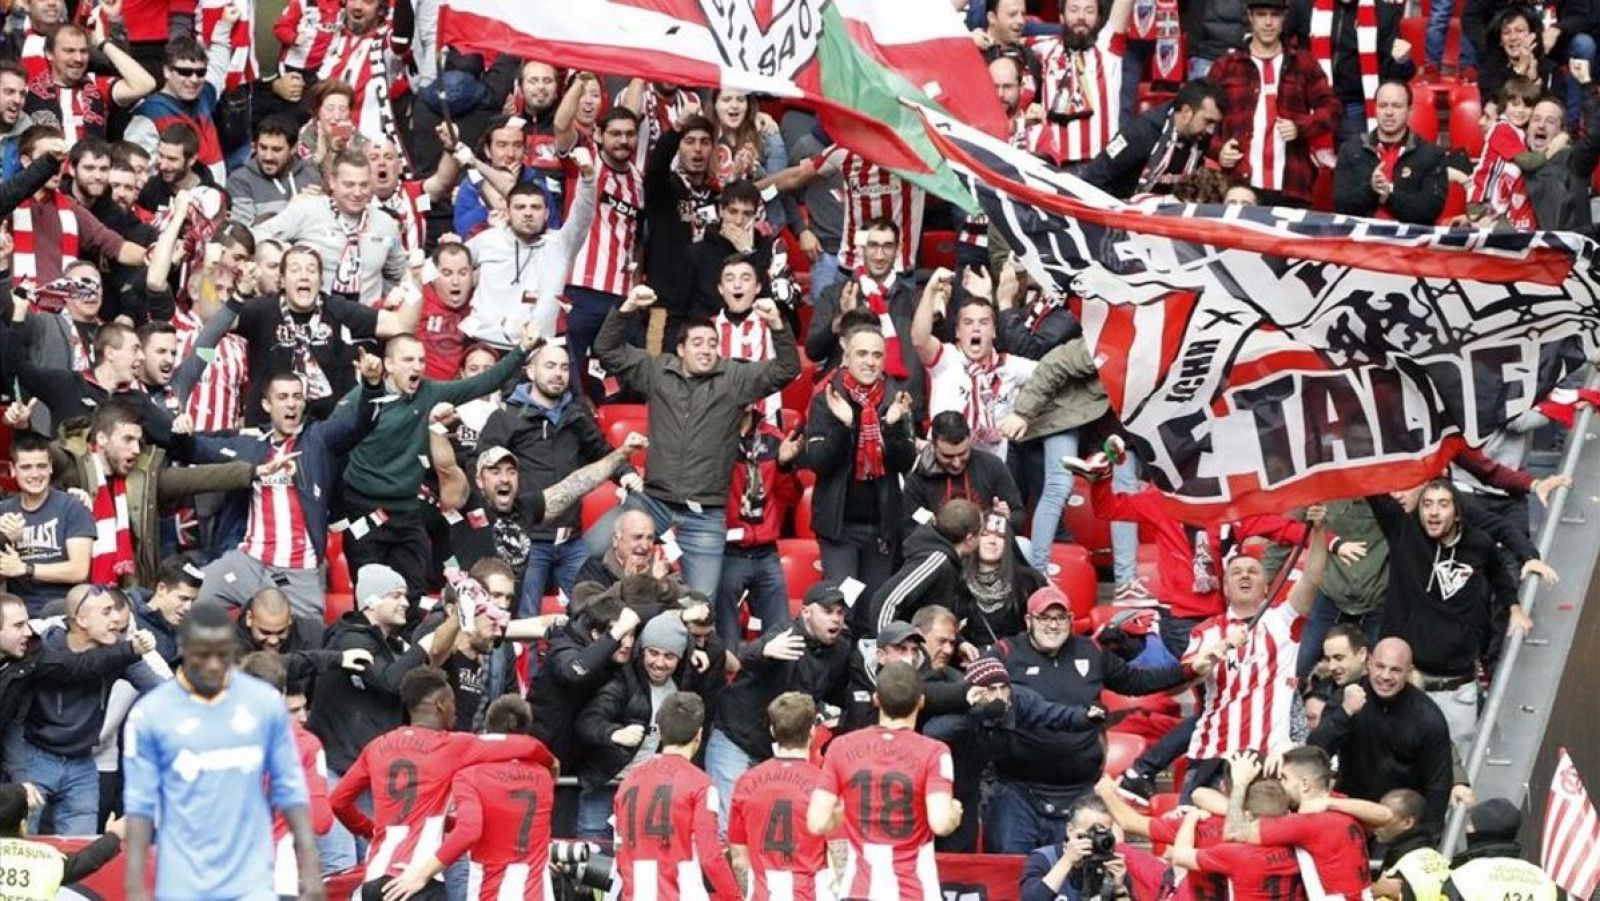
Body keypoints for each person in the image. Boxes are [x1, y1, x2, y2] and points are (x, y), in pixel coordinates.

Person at [595, 284, 800, 599]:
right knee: (591, 550)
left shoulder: (734, 378)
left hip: (704, 514)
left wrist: (777, 325)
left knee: (700, 603)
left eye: (712, 344)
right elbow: (607, 350)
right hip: (653, 501)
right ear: (680, 350)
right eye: (698, 343)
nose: (706, 350)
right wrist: (626, 309)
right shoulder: (657, 370)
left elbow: (788, 368)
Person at [982, 585, 1215, 852]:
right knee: (1011, 878)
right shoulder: (1006, 652)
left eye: (1060, 618)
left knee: (1081, 881)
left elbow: (1136, 681)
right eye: (1045, 618)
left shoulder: (1090, 650)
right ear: (1028, 621)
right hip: (1018, 794)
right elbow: (978, 689)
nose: (1053, 626)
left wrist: (1188, 670)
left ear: (1071, 620)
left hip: (1080, 793)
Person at [121, 600, 323, 901]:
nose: (214, 664)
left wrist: (310, 870)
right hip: (184, 881)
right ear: (184, 649)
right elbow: (139, 807)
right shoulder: (151, 714)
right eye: (203, 655)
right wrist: (135, 886)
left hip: (252, 880)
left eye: (222, 654)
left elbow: (291, 789)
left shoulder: (263, 704)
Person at [336, 326, 538, 600]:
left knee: (413, 595)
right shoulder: (357, 402)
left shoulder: (428, 392)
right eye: (408, 360)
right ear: (389, 364)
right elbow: (331, 447)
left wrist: (522, 350)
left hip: (407, 515)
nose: (417, 366)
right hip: (365, 513)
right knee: (372, 601)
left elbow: (483, 383)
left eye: (421, 360)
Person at [183, 353, 387, 618]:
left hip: (298, 572)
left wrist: (372, 386)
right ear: (267, 405)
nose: (291, 404)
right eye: (282, 397)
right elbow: (193, 450)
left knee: (308, 649)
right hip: (248, 564)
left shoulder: (319, 440)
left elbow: (362, 423)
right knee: (188, 598)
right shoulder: (250, 447)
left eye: (297, 397)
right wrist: (180, 432)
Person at [330, 667, 557, 901]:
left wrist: (370, 830)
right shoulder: (453, 746)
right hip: (417, 880)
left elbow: (338, 801)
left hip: (375, 878)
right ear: (440, 704)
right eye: (452, 703)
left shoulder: (376, 746)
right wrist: (551, 763)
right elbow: (526, 745)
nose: (455, 711)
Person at [1366, 480, 1527, 758]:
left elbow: (1501, 577)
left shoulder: (1479, 544)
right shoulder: (1403, 531)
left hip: (1457, 690)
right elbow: (1374, 492)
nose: (1434, 512)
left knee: (1458, 781)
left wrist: (1514, 606)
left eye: (1443, 504)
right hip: (1408, 688)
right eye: (1427, 504)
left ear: (1457, 511)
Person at [306, 564, 437, 872]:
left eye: (406, 596)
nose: (405, 603)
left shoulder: (389, 646)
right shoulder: (351, 639)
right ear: (370, 602)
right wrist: (424, 647)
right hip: (339, 770)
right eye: (396, 596)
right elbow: (391, 682)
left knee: (372, 862)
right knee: (341, 863)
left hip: (366, 772)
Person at [806, 661, 962, 900]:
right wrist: (954, 811)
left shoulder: (841, 746)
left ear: (876, 699)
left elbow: (817, 823)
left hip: (859, 889)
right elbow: (941, 823)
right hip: (914, 890)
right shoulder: (934, 751)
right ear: (921, 701)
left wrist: (847, 810)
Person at [378, 696, 559, 901]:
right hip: (538, 892)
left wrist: (421, 873)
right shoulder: (544, 777)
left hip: (490, 891)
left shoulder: (470, 775)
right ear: (527, 731)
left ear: (486, 729)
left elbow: (470, 830)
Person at [707, 583, 853, 831]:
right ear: (806, 612)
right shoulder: (786, 634)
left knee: (767, 828)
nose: (836, 619)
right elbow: (748, 659)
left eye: (840, 613)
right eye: (828, 612)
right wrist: (765, 651)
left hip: (778, 751)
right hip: (736, 738)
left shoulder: (839, 651)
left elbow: (838, 694)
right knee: (728, 826)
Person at [803, 325, 918, 603]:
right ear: (847, 356)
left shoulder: (897, 399)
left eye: (877, 355)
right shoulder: (826, 399)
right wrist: (843, 426)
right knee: (842, 606)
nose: (870, 361)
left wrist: (891, 426)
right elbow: (818, 462)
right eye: (863, 353)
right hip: (839, 528)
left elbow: (906, 462)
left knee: (873, 608)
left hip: (881, 527)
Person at [1308, 637, 1455, 831]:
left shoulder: (1427, 716)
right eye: (1380, 666)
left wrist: (1428, 838)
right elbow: (1314, 754)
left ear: (1409, 672)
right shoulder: (1346, 698)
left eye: (1395, 670)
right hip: (1351, 813)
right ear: (1369, 664)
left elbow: (1438, 785)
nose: (1385, 676)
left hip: (1399, 822)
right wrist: (1345, 713)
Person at [1207, 0, 1341, 207]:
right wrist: (1218, 149)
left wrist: (1301, 126)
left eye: (1275, 15)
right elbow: (1203, 121)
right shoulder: (1225, 66)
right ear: (1250, 17)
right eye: (1261, 15)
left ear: (1284, 18)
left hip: (1293, 185)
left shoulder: (1304, 63)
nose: (1268, 23)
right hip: (1239, 187)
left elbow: (1332, 109)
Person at [573, 612, 692, 840]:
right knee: (592, 854)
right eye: (653, 653)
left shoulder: (682, 687)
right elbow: (588, 720)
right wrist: (614, 733)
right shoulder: (623, 681)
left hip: (648, 791)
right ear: (642, 650)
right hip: (605, 783)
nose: (659, 663)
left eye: (669, 656)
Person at [613, 691, 740, 901]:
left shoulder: (628, 782)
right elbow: (710, 856)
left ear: (661, 732)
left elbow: (620, 849)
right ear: (699, 734)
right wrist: (734, 897)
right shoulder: (700, 783)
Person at [462, 159, 598, 348]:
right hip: (485, 345)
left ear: (547, 214)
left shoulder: (561, 245)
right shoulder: (486, 240)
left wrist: (588, 179)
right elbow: (445, 266)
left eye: (535, 207)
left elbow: (583, 215)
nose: (528, 213)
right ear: (507, 212)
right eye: (520, 207)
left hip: (537, 350)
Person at [253, 150, 408, 308]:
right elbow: (257, 236)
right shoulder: (306, 210)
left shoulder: (386, 225)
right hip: (313, 317)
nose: (357, 193)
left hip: (367, 322)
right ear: (333, 182)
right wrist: (285, 254)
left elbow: (399, 272)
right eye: (349, 184)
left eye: (364, 185)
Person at [912, 269, 1037, 462]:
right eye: (968, 323)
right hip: (941, 466)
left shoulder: (1011, 366)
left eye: (984, 322)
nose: (976, 328)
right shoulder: (947, 357)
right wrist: (931, 290)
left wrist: (1024, 414)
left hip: (990, 472)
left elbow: (1051, 375)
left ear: (994, 331)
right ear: (957, 332)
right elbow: (919, 340)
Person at [804, 218, 926, 411]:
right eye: (873, 245)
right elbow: (813, 351)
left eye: (887, 246)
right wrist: (843, 318)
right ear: (861, 249)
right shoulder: (834, 294)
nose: (879, 255)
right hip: (846, 404)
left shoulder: (915, 301)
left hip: (901, 403)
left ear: (897, 250)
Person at [1222, 748, 1376, 899]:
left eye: (1284, 778)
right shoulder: (1342, 803)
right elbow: (1386, 815)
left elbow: (1233, 832)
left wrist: (1240, 783)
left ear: (1305, 784)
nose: (1281, 784)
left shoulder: (1303, 824)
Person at [728, 692, 830, 901]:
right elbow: (839, 854)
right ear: (812, 731)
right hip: (811, 893)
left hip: (763, 894)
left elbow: (739, 859)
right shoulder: (825, 785)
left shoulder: (745, 782)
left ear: (772, 731)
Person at [1025, 0, 1135, 167]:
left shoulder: (1108, 47)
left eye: (1089, 11)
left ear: (1099, 18)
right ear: (1062, 16)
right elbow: (1002, 34)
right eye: (1074, 10)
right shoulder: (1045, 46)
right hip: (1055, 166)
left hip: (1100, 167)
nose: (1081, 17)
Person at [1079, 78, 1225, 199]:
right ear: (1186, 112)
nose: (1211, 130)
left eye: (1215, 124)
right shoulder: (1141, 132)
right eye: (1208, 121)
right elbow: (1094, 177)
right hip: (1123, 216)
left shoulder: (1199, 139)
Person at [124, 29, 235, 183]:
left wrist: (224, 26)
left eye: (200, 72)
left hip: (215, 197)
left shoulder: (205, 94)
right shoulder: (149, 113)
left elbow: (218, 67)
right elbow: (134, 171)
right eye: (185, 72)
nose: (194, 79)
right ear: (167, 71)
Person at [1333, 79, 1450, 225]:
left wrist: (1389, 195)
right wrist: (1371, 189)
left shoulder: (1432, 155)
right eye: (1383, 106)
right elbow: (1342, 205)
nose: (1389, 112)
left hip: (1409, 243)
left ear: (1410, 110)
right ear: (1374, 109)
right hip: (1362, 242)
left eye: (1397, 106)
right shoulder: (1350, 150)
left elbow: (1428, 211)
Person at [0, 431, 92, 616]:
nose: (35, 474)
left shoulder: (72, 506)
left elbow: (79, 570)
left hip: (65, 610)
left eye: (41, 466)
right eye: (26, 467)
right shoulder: (3, 511)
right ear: (12, 469)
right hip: (16, 613)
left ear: (51, 467)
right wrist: (4, 539)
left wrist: (26, 569)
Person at [900, 412, 1026, 542]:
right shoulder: (917, 478)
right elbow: (908, 531)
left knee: (1024, 545)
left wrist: (1006, 518)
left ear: (970, 440)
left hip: (984, 544)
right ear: (933, 447)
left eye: (962, 454)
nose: (956, 463)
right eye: (947, 456)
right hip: (939, 550)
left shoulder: (992, 466)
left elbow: (1018, 514)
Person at [869, 498, 983, 637]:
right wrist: (889, 649)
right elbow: (885, 601)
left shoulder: (947, 561)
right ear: (969, 538)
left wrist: (960, 643)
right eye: (981, 534)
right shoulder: (936, 561)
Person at [1020, 795, 1166, 901]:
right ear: (1070, 830)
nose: (1096, 840)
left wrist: (1119, 888)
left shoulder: (1111, 865)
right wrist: (1067, 861)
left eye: (1103, 833)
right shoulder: (1044, 858)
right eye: (1091, 833)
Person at [0, 782, 124, 897]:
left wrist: (17, 790)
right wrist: (116, 834)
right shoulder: (47, 859)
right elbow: (88, 859)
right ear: (22, 825)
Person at [1440, 798, 1560, 900]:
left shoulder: (1464, 876)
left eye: (1471, 823)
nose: (1467, 827)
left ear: (1479, 832)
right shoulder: (1544, 881)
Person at [227, 115, 321, 226]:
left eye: (276, 150)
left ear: (293, 149)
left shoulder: (310, 174)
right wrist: (292, 211)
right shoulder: (240, 180)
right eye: (263, 148)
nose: (268, 157)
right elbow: (243, 232)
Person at [1373, 788, 1450, 901]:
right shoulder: (1442, 861)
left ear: (1407, 822)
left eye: (1384, 817)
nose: (1375, 822)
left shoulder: (1396, 877)